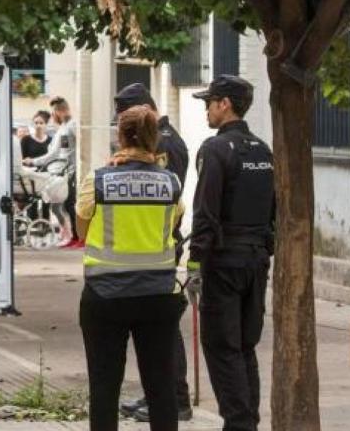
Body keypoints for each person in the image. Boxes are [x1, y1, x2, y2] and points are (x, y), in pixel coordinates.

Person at [75, 106, 183, 431]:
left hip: (105, 296)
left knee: (104, 389)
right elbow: (172, 224)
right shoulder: (171, 183)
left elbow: (82, 232)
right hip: (158, 298)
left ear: (120, 135)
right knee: (162, 389)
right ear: (155, 138)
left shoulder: (97, 180)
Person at [186, 75, 275, 431]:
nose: (206, 108)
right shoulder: (263, 150)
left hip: (224, 262)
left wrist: (194, 264)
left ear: (225, 104)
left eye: (210, 101)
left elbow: (205, 214)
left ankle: (239, 424)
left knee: (222, 347)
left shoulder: (215, 149)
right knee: (244, 346)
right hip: (256, 260)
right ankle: (247, 422)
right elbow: (273, 210)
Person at [112, 83, 193, 422]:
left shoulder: (167, 144)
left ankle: (176, 397)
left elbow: (164, 193)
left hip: (158, 243)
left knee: (164, 327)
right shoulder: (162, 139)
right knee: (157, 327)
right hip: (152, 243)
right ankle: (159, 393)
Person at [24, 96, 79, 246]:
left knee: (68, 205)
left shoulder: (72, 126)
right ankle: (66, 232)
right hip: (59, 172)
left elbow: (56, 154)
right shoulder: (62, 128)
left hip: (68, 172)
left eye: (53, 112)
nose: (52, 115)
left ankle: (75, 238)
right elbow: (55, 152)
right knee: (56, 205)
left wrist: (33, 161)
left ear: (58, 111)